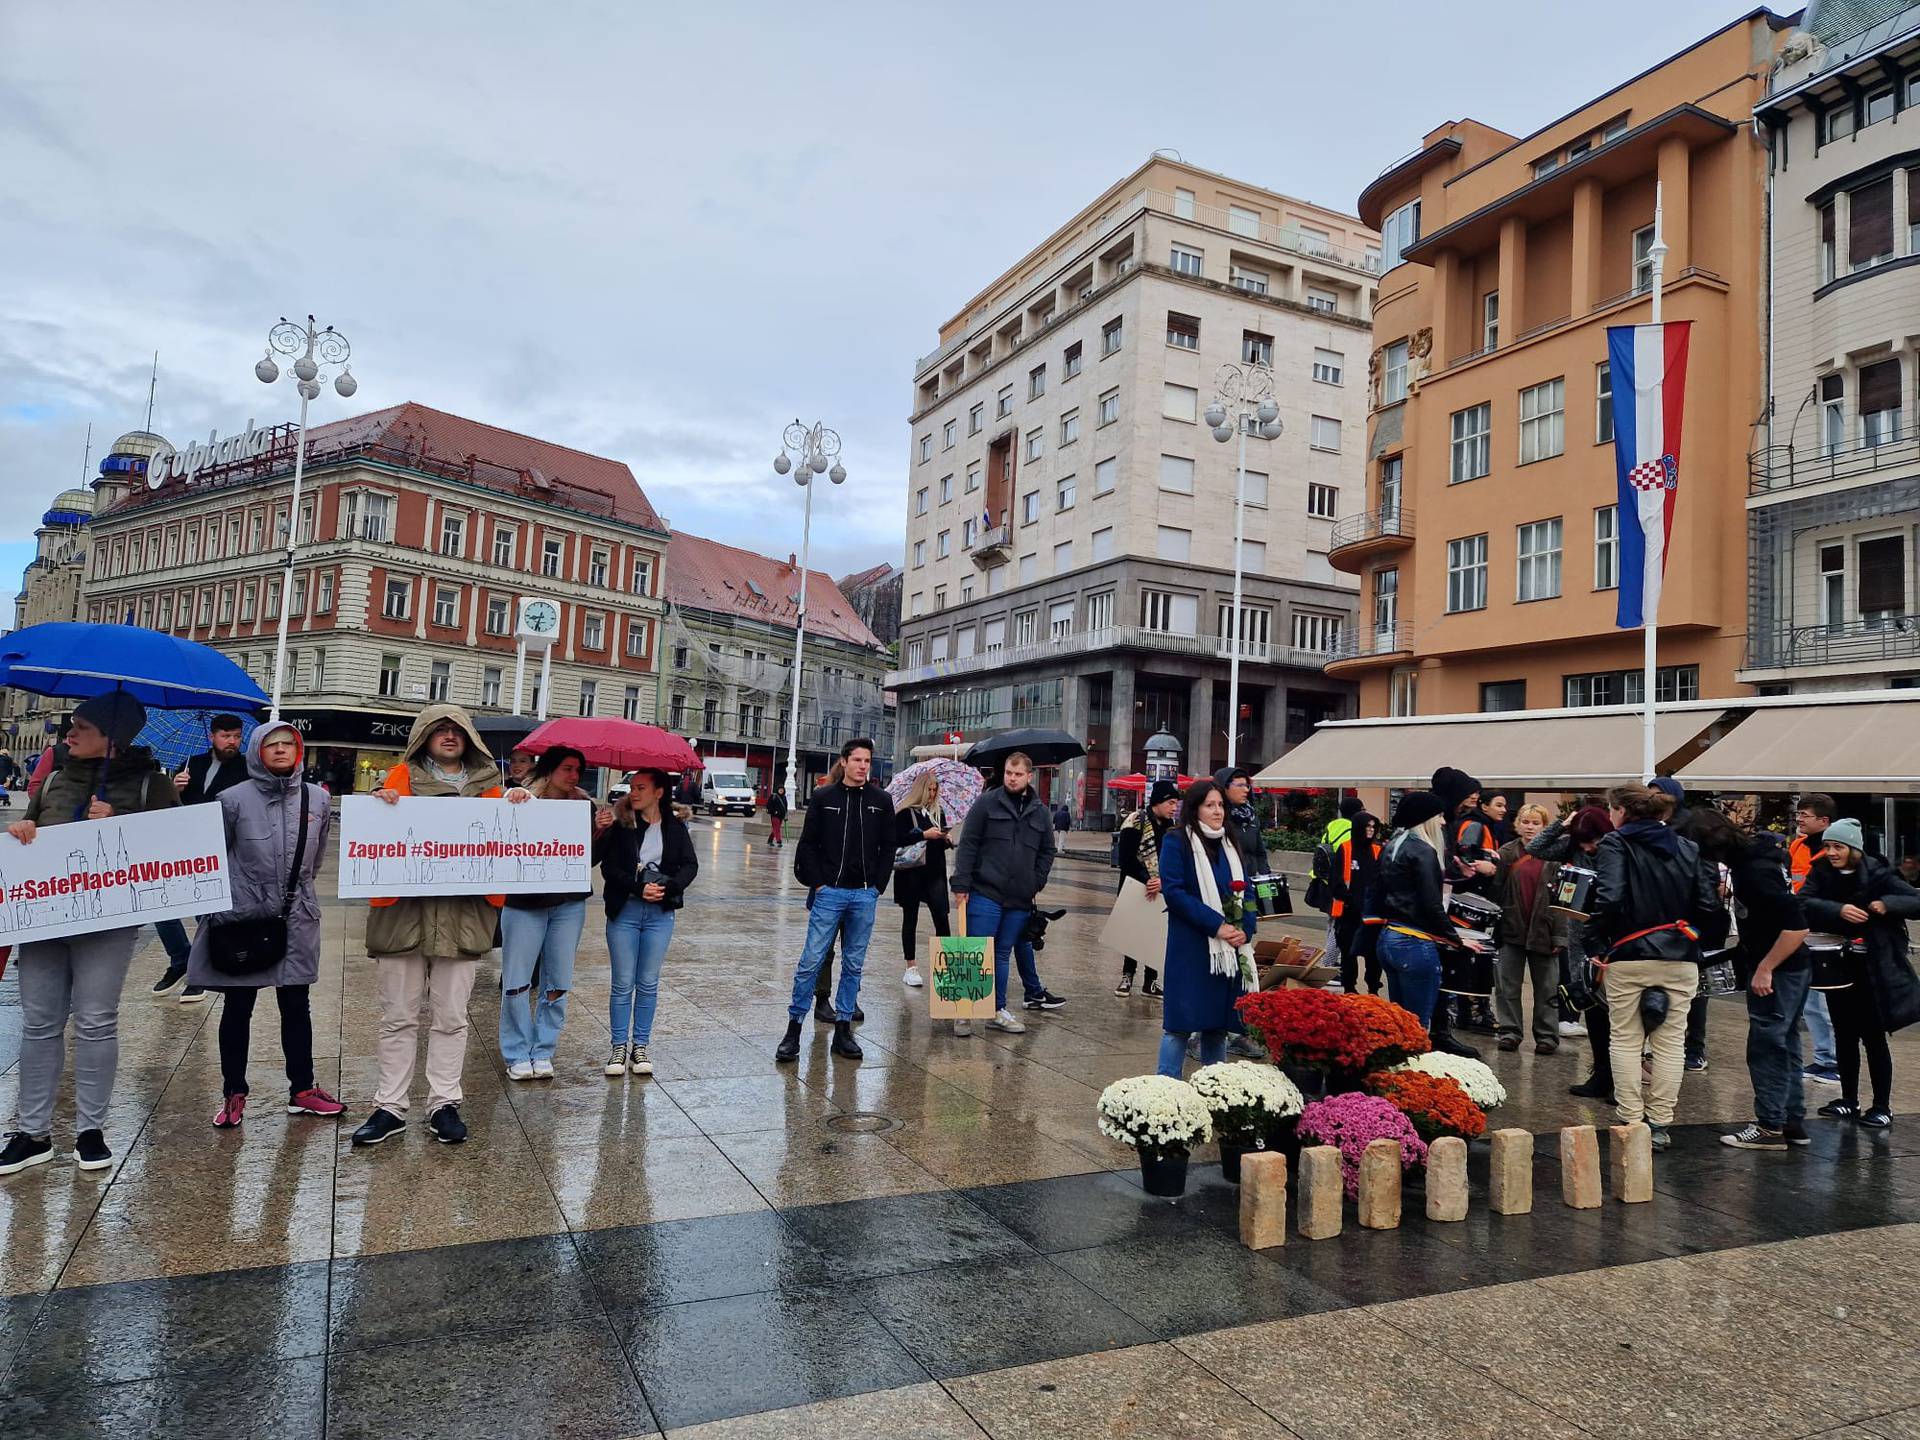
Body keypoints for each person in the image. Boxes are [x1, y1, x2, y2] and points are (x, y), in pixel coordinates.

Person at [0, 695, 180, 1176]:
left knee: (97, 1021)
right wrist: (23, 828)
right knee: (40, 1022)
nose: (68, 735)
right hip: (46, 918)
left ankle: (90, 1130)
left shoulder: (151, 784)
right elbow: (33, 822)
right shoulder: (57, 777)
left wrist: (122, 825)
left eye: (80, 727)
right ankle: (31, 1132)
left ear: (112, 736)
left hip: (108, 923)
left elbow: (176, 849)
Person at [350, 705, 531, 1150]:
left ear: (469, 738)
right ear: (423, 737)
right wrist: (381, 805)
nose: (449, 737)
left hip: (462, 918)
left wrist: (520, 808)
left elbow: (510, 844)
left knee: (451, 1018)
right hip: (403, 919)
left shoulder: (493, 788)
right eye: (440, 730)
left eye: (457, 730)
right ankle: (389, 1106)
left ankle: (444, 1103)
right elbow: (374, 837)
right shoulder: (397, 781)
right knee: (398, 1017)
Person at [188, 723, 344, 1128]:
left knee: (296, 1004)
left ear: (299, 750)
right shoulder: (231, 799)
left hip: (296, 916)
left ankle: (302, 1088)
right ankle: (234, 1091)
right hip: (244, 917)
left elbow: (317, 858)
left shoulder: (317, 800)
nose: (280, 750)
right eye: (271, 744)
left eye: (288, 744)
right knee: (239, 1005)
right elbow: (213, 858)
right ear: (257, 751)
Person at [1584, 784, 1723, 1152]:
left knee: (1626, 1039)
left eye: (1613, 810)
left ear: (1623, 812)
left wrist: (1594, 940)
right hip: (1680, 955)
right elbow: (1709, 903)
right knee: (1672, 1042)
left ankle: (1631, 1119)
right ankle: (1660, 1123)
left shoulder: (1616, 844)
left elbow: (1610, 898)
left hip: (1630, 953)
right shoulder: (1688, 847)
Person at [778, 739, 896, 1063]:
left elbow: (889, 846)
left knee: (854, 964)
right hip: (830, 892)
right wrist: (819, 883)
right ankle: (793, 1029)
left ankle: (843, 1028)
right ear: (844, 762)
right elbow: (808, 844)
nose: (862, 766)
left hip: (863, 893)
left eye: (867, 761)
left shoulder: (881, 801)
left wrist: (877, 886)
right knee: (811, 960)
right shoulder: (824, 797)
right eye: (856, 759)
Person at [1800, 817, 1920, 1128]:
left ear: (1854, 847)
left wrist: (1887, 904)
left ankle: (1881, 1105)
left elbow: (1916, 901)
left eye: (1838, 846)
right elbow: (1802, 902)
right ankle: (1848, 1099)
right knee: (1844, 1034)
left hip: (1875, 968)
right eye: (1828, 846)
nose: (1831, 852)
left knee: (1874, 1037)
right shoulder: (1823, 871)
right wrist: (1836, 910)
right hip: (1837, 967)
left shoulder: (1879, 873)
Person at [500, 746, 608, 1080]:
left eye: (578, 769)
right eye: (567, 769)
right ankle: (517, 1050)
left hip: (569, 903)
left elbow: (586, 860)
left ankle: (544, 1048)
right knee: (517, 981)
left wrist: (601, 832)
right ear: (549, 770)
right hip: (524, 903)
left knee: (558, 979)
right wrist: (512, 800)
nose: (574, 776)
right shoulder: (522, 800)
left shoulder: (585, 808)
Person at [1713, 816, 1814, 1150]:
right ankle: (1791, 1122)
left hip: (1780, 968)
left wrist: (1765, 967)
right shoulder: (1762, 859)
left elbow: (1797, 926)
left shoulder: (1753, 872)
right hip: (1792, 966)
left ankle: (1771, 1125)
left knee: (1767, 1045)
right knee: (1785, 1042)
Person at [952, 751, 1060, 1037]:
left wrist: (1037, 880)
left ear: (1029, 776)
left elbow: (1048, 849)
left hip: (1019, 898)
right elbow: (969, 844)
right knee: (976, 951)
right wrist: (961, 884)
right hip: (985, 890)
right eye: (1009, 773)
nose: (1012, 779)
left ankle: (996, 1010)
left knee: (1001, 954)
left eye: (1018, 774)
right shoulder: (987, 803)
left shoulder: (1039, 810)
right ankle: (964, 1011)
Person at [1155, 778, 1257, 1077]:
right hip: (1193, 948)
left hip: (1228, 952)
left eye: (1220, 805)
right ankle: (1165, 1091)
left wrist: (1244, 930)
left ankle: (1215, 1090)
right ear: (1195, 808)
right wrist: (1218, 926)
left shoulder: (1229, 842)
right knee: (1179, 1026)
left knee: (1217, 1027)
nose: (1217, 811)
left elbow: (1247, 890)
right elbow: (1175, 893)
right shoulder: (1177, 841)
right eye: (1209, 805)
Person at [601, 768, 698, 1076]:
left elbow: (690, 865)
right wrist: (636, 886)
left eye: (641, 787)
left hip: (660, 915)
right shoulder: (623, 825)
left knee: (648, 983)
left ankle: (640, 1046)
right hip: (625, 912)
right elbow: (608, 868)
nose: (634, 793)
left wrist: (669, 887)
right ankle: (619, 1047)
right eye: (632, 787)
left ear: (659, 792)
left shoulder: (675, 826)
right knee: (622, 983)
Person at [151, 714, 250, 1002]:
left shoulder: (246, 769)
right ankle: (181, 958)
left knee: (206, 912)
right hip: (184, 843)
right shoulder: (192, 763)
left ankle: (198, 972)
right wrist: (175, 788)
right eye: (225, 736)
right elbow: (174, 806)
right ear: (212, 736)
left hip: (221, 845)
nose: (231, 741)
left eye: (236, 736)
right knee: (162, 906)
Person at [1374, 791, 1479, 1030]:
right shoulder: (1423, 850)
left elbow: (1380, 892)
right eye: (1439, 816)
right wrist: (1457, 939)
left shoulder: (1391, 846)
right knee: (1417, 1028)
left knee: (1399, 1024)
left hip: (1389, 938)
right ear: (1426, 818)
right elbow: (1431, 904)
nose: (1443, 822)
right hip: (1414, 943)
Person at [1544, 807, 1620, 1103]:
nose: (1589, 848)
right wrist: (1561, 826)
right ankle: (1600, 1074)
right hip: (1580, 938)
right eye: (1584, 842)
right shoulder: (1573, 846)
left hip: (1608, 941)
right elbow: (1538, 848)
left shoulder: (1615, 852)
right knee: (1593, 1010)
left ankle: (1618, 1081)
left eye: (1593, 841)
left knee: (1617, 1014)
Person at [1433, 766, 1499, 1035]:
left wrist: (1457, 868)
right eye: (1468, 794)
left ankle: (1444, 1027)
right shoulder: (1458, 824)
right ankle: (1449, 1023)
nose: (1472, 798)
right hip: (1441, 909)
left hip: (1448, 902)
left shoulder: (1451, 822)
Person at [1492, 803, 1561, 1054]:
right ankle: (1510, 1032)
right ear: (1517, 824)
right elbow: (1496, 890)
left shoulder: (1555, 854)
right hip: (1512, 927)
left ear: (1544, 826)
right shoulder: (1507, 853)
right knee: (1507, 985)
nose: (1530, 827)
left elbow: (1564, 897)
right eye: (1525, 822)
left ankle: (1547, 1036)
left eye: (1536, 823)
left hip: (1545, 927)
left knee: (1547, 987)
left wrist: (1560, 935)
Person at [1790, 793, 1842, 1086]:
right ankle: (1823, 1058)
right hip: (1803, 929)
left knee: (1825, 1001)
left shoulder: (1832, 853)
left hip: (1826, 934)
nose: (1799, 819)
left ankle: (1834, 1061)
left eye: (1805, 815)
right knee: (1811, 1001)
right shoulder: (1798, 846)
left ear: (1824, 820)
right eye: (1798, 814)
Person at [1113, 780, 1180, 997]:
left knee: (1155, 934)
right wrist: (1147, 879)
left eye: (1175, 803)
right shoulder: (1136, 820)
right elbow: (1126, 858)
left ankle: (1150, 981)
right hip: (1134, 886)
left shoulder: (1171, 827)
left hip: (1160, 888)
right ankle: (1127, 976)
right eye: (1170, 802)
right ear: (1158, 801)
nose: (1174, 807)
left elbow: (1175, 859)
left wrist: (1162, 881)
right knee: (1133, 933)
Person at [893, 770, 953, 991]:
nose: (932, 793)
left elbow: (938, 842)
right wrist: (923, 835)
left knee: (942, 918)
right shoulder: (905, 813)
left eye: (935, 789)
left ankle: (945, 967)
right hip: (911, 872)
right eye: (928, 789)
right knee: (911, 918)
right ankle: (911, 967)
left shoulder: (939, 813)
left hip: (934, 872)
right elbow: (897, 839)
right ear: (920, 789)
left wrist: (946, 838)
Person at [1330, 811, 1383, 995]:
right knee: (1348, 952)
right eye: (1367, 826)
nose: (1370, 830)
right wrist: (1351, 900)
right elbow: (1336, 882)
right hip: (1349, 911)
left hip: (1373, 912)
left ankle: (1373, 988)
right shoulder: (1345, 849)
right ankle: (1350, 987)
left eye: (1373, 827)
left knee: (1373, 954)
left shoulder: (1377, 850)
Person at [1212, 767, 1272, 878]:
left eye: (1247, 785)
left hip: (1250, 879)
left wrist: (1266, 875)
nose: (1246, 790)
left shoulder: (1251, 816)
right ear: (1224, 787)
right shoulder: (1217, 817)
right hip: (1228, 880)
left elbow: (1260, 852)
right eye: (1240, 785)